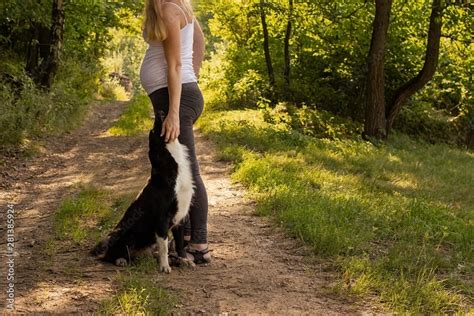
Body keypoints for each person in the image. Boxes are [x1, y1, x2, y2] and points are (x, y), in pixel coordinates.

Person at [139, 0, 211, 264]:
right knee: (173, 172)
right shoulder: (177, 7)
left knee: (188, 172)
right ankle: (186, 237)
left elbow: (176, 66)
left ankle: (200, 246)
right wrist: (194, 76)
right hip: (176, 97)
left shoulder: (170, 9)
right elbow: (199, 42)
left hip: (176, 101)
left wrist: (173, 112)